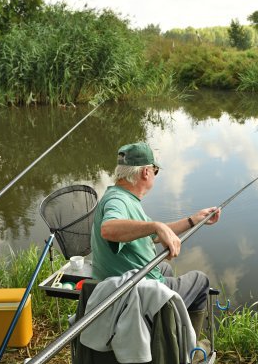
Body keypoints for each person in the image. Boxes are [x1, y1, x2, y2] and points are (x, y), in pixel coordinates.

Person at [90, 142, 220, 338]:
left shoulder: (122, 196)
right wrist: (155, 225)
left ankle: (166, 334)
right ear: (145, 172)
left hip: (122, 285)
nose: (154, 174)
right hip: (134, 296)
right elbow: (108, 229)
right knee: (201, 281)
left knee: (165, 269)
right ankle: (188, 351)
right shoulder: (118, 201)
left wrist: (194, 220)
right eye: (155, 170)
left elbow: (153, 235)